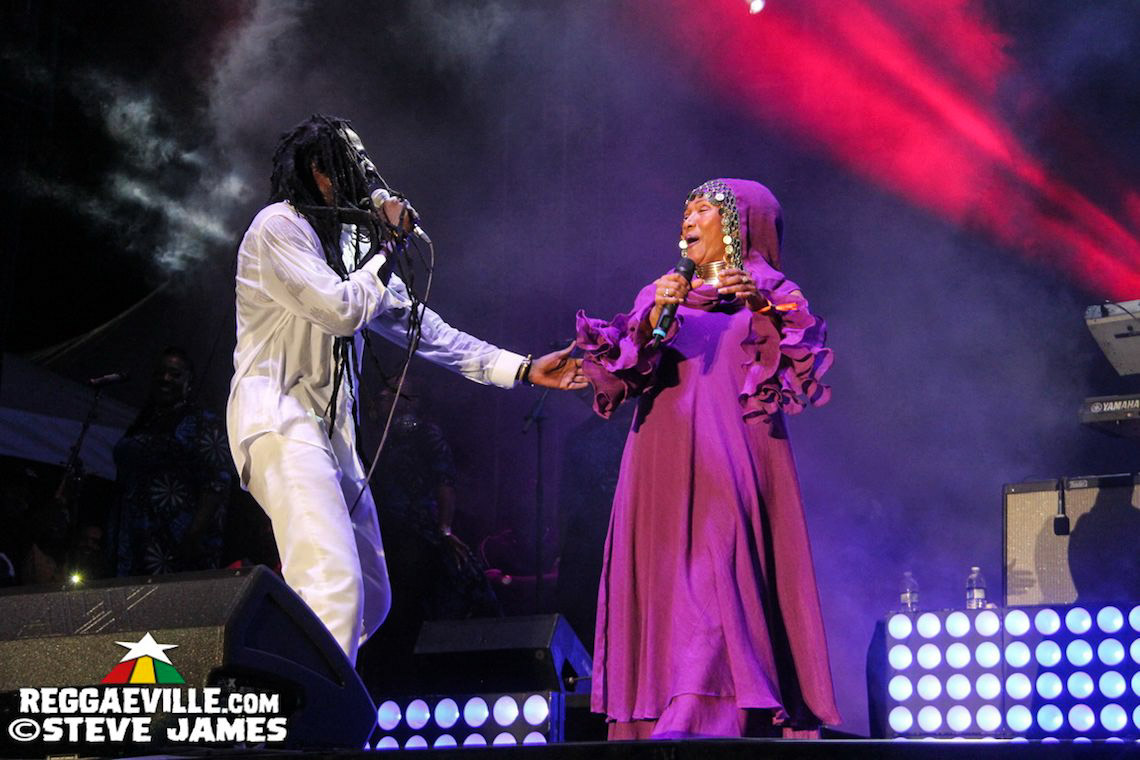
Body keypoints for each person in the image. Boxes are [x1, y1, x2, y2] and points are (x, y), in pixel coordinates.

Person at [226, 114, 584, 664]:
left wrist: (522, 368)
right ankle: (307, 732)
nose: (368, 175)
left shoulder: (349, 249)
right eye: (353, 162)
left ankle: (273, 679)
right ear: (320, 171)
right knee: (333, 583)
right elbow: (342, 310)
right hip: (279, 420)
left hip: (329, 437)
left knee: (371, 596)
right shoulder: (278, 227)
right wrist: (388, 247)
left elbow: (423, 329)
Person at [575, 179, 840, 739]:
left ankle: (703, 706)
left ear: (740, 225)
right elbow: (622, 372)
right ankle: (670, 701)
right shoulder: (664, 291)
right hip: (663, 453)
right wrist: (653, 318)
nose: (687, 220)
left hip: (734, 449)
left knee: (718, 563)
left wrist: (761, 301)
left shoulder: (771, 291)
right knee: (669, 574)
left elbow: (802, 353)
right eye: (685, 210)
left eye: (703, 210)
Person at [112, 346, 232, 576]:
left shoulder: (202, 423)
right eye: (160, 373)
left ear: (189, 381)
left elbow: (217, 483)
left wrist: (194, 534)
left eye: (175, 374)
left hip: (173, 540)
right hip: (134, 533)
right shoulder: (145, 421)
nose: (165, 379)